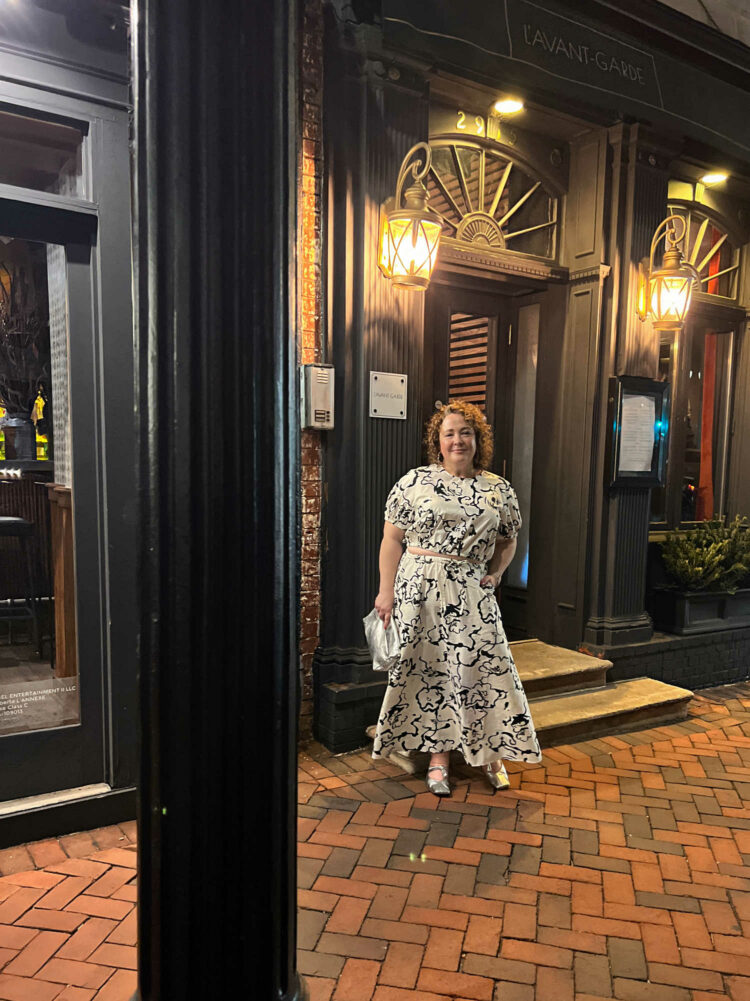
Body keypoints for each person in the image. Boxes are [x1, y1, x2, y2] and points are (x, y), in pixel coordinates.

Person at [372, 400, 542, 796]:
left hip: (470, 592)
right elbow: (391, 540)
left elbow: (510, 537)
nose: (457, 440)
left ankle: (490, 753)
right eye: (449, 433)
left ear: (478, 439)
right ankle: (438, 757)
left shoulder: (498, 488)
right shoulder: (413, 482)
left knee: (482, 671)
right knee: (433, 675)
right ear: (438, 441)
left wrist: (497, 574)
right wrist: (385, 591)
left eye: (465, 432)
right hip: (420, 591)